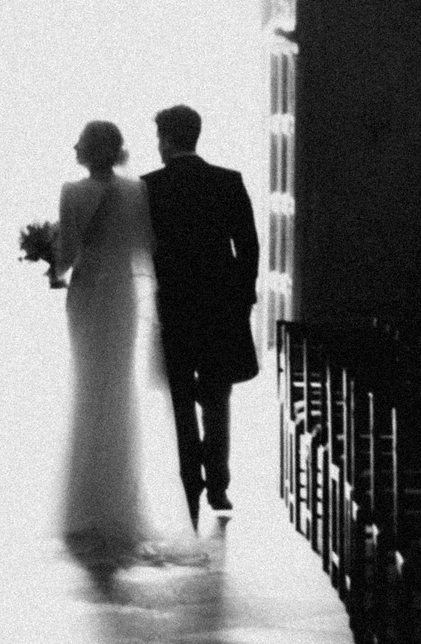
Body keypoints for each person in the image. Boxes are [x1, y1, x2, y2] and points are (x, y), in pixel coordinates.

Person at [54, 120, 203, 566]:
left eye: (80, 141)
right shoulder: (136, 191)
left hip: (87, 295)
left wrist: (50, 261)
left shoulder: (72, 192)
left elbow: (66, 255)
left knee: (88, 389)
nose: (74, 146)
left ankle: (86, 500)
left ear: (90, 150)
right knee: (119, 390)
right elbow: (146, 247)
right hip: (121, 297)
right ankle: (121, 496)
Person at [142, 105, 260, 529]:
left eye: (159, 138)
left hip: (173, 306)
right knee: (217, 397)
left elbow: (145, 250)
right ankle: (218, 486)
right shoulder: (228, 181)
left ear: (167, 140)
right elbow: (248, 245)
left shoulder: (150, 187)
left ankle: (189, 483)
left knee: (180, 400)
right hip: (219, 307)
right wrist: (242, 298)